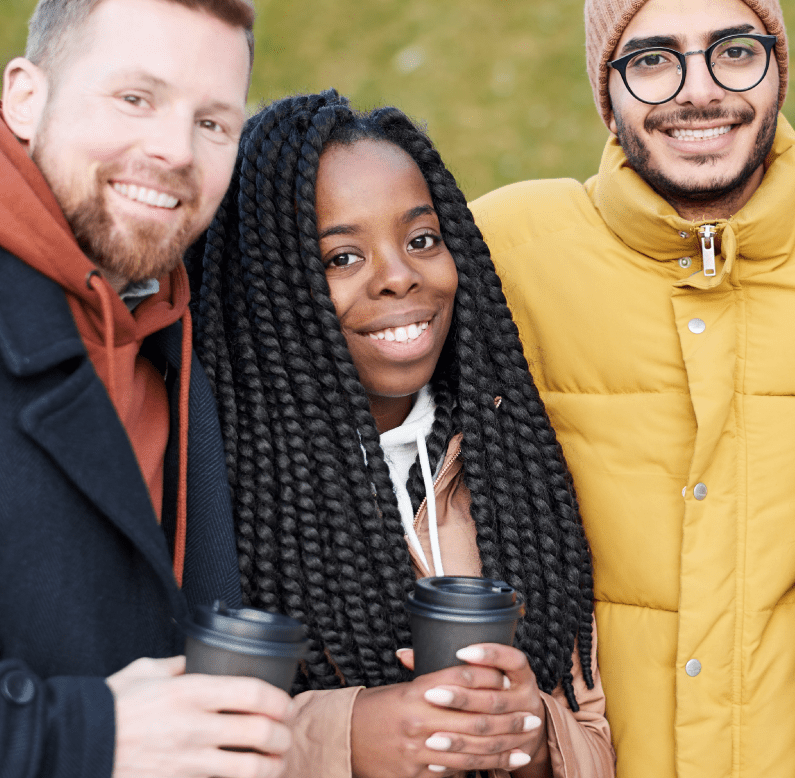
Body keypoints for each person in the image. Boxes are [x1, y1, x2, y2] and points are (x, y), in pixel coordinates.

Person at [0, 0, 293, 778]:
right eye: (134, 98)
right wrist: (82, 734)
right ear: (25, 95)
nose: (175, 150)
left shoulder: (167, 309)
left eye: (213, 122)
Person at [189, 89, 615, 777]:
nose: (398, 277)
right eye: (341, 258)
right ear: (265, 289)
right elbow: (147, 735)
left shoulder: (510, 471)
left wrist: (533, 736)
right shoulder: (215, 486)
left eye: (421, 240)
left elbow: (594, 735)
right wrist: (343, 735)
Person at [470, 0, 795, 778]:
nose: (700, 92)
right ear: (607, 91)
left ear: (777, 64)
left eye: (733, 51)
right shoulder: (507, 246)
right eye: (653, 59)